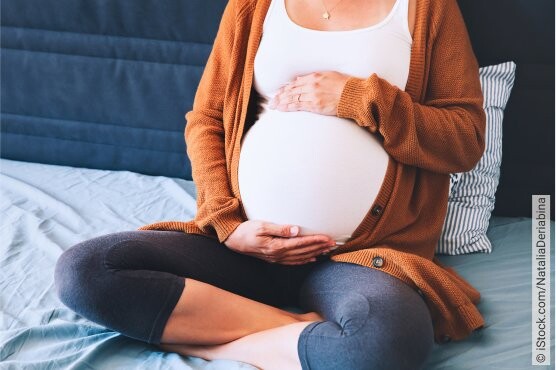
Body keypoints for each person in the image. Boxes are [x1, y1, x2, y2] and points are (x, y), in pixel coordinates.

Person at [54, 0, 487, 369]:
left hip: (357, 258)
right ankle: (300, 331)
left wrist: (358, 98)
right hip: (244, 246)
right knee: (87, 271)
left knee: (392, 338)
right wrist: (227, 225)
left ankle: (210, 339)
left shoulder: (428, 8)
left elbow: (464, 139)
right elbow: (206, 121)